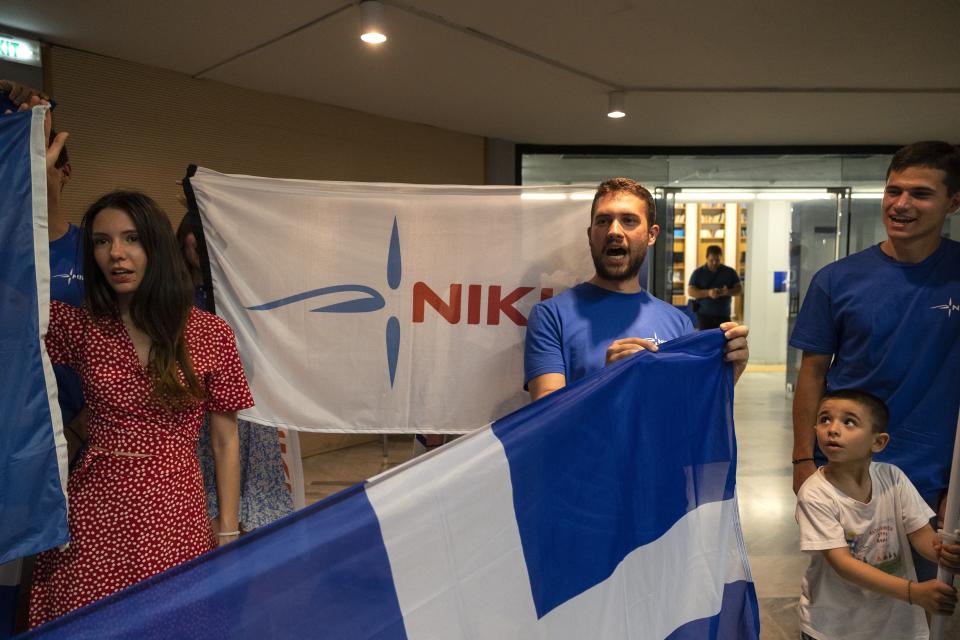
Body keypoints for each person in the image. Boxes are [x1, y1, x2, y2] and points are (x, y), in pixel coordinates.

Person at [28, 186, 253, 626]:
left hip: (174, 508)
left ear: (156, 246)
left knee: (171, 622)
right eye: (101, 241)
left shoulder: (209, 334)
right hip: (95, 509)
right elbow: (14, 296)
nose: (116, 254)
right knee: (87, 622)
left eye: (131, 239)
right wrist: (44, 186)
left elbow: (226, 441)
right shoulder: (81, 327)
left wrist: (227, 528)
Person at [790, 141, 960, 578]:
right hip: (849, 471)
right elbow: (812, 375)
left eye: (920, 194)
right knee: (848, 599)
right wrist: (803, 461)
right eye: (893, 191)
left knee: (922, 602)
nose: (901, 204)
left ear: (953, 202)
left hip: (935, 472)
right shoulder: (836, 279)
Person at [524, 177, 749, 402]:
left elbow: (689, 407)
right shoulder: (551, 316)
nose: (614, 231)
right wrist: (609, 379)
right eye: (603, 221)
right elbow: (545, 414)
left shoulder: (678, 323)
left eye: (629, 220)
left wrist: (729, 375)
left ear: (651, 235)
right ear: (590, 234)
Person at [796, 388, 960, 640]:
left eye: (849, 422)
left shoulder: (892, 478)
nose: (832, 429)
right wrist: (914, 593)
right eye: (824, 419)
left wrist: (940, 551)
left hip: (892, 622)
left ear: (879, 442)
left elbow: (921, 535)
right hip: (834, 626)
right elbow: (843, 564)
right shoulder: (816, 493)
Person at [176, 214, 294, 532]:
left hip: (244, 402)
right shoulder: (171, 296)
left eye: (212, 236)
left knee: (249, 503)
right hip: (195, 407)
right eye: (196, 233)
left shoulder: (240, 288)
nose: (202, 242)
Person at [687, 244, 742, 329]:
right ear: (706, 258)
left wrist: (727, 292)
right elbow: (691, 291)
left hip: (724, 316)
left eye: (717, 260)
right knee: (705, 341)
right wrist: (708, 293)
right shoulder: (698, 272)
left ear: (721, 258)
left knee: (725, 341)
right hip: (704, 316)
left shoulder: (730, 272)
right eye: (711, 260)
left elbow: (739, 290)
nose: (714, 263)